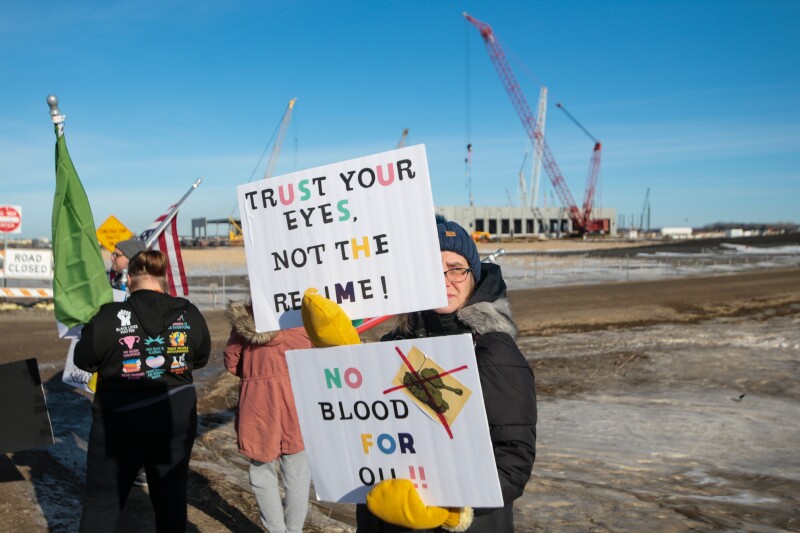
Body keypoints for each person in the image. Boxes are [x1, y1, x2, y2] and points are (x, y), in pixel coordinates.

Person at [356, 219, 537, 532]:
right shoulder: (394, 345)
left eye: (456, 268)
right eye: (433, 269)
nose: (445, 280)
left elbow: (512, 459)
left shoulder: (493, 351)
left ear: (473, 275)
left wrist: (451, 510)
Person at [74, 250, 211, 532]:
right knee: (170, 499)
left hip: (118, 421)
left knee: (103, 502)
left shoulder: (110, 315)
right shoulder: (188, 313)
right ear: (162, 277)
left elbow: (83, 359)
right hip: (174, 418)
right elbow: (200, 358)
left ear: (130, 277)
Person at [224, 299, 313, 533]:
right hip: (297, 400)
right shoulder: (302, 317)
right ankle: (294, 530)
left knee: (261, 469)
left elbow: (231, 362)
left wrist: (255, 370)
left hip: (257, 403)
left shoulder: (247, 318)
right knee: (297, 470)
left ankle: (276, 530)